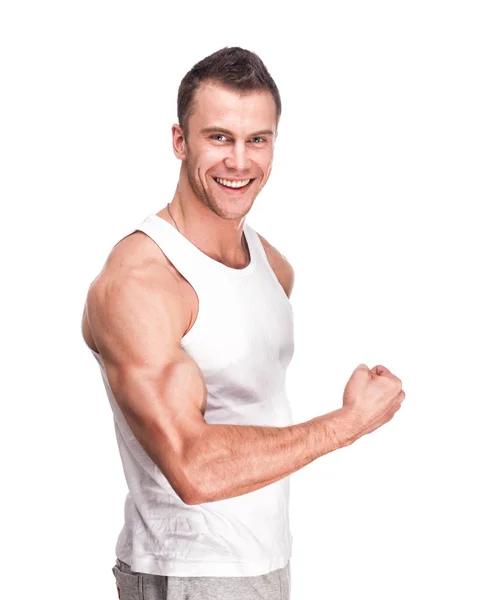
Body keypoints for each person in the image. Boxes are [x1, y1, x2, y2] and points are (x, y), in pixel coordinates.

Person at [81, 46, 405, 600]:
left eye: (258, 139)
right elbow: (193, 468)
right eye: (219, 137)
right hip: (188, 571)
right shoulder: (142, 282)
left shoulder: (271, 266)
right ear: (180, 141)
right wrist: (348, 423)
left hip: (264, 564)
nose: (239, 161)